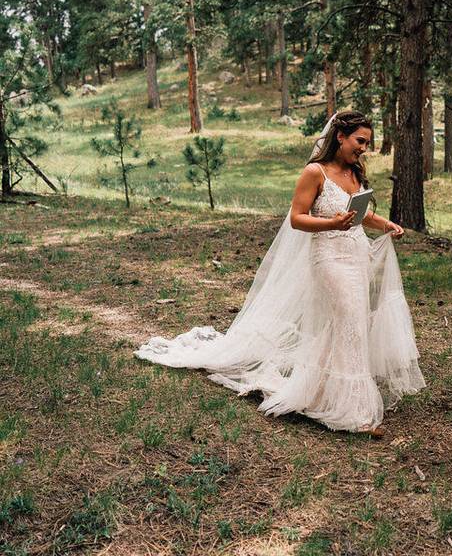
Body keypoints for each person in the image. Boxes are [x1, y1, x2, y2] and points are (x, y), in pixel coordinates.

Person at [135, 111, 425, 436]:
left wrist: (384, 224)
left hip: (355, 254)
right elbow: (297, 219)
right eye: (360, 141)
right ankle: (355, 412)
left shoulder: (355, 173)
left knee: (348, 323)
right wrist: (331, 223)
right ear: (340, 136)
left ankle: (318, 392)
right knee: (348, 322)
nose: (364, 149)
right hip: (328, 257)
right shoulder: (315, 172)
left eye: (367, 144)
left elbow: (360, 213)